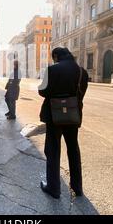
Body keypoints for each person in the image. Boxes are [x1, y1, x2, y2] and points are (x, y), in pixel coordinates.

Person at [38, 47, 89, 199]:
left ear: (56, 56)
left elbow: (43, 91)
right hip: (73, 115)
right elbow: (82, 93)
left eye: (53, 57)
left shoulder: (52, 70)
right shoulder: (82, 72)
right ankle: (77, 188)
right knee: (73, 149)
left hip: (54, 116)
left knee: (53, 150)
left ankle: (54, 188)